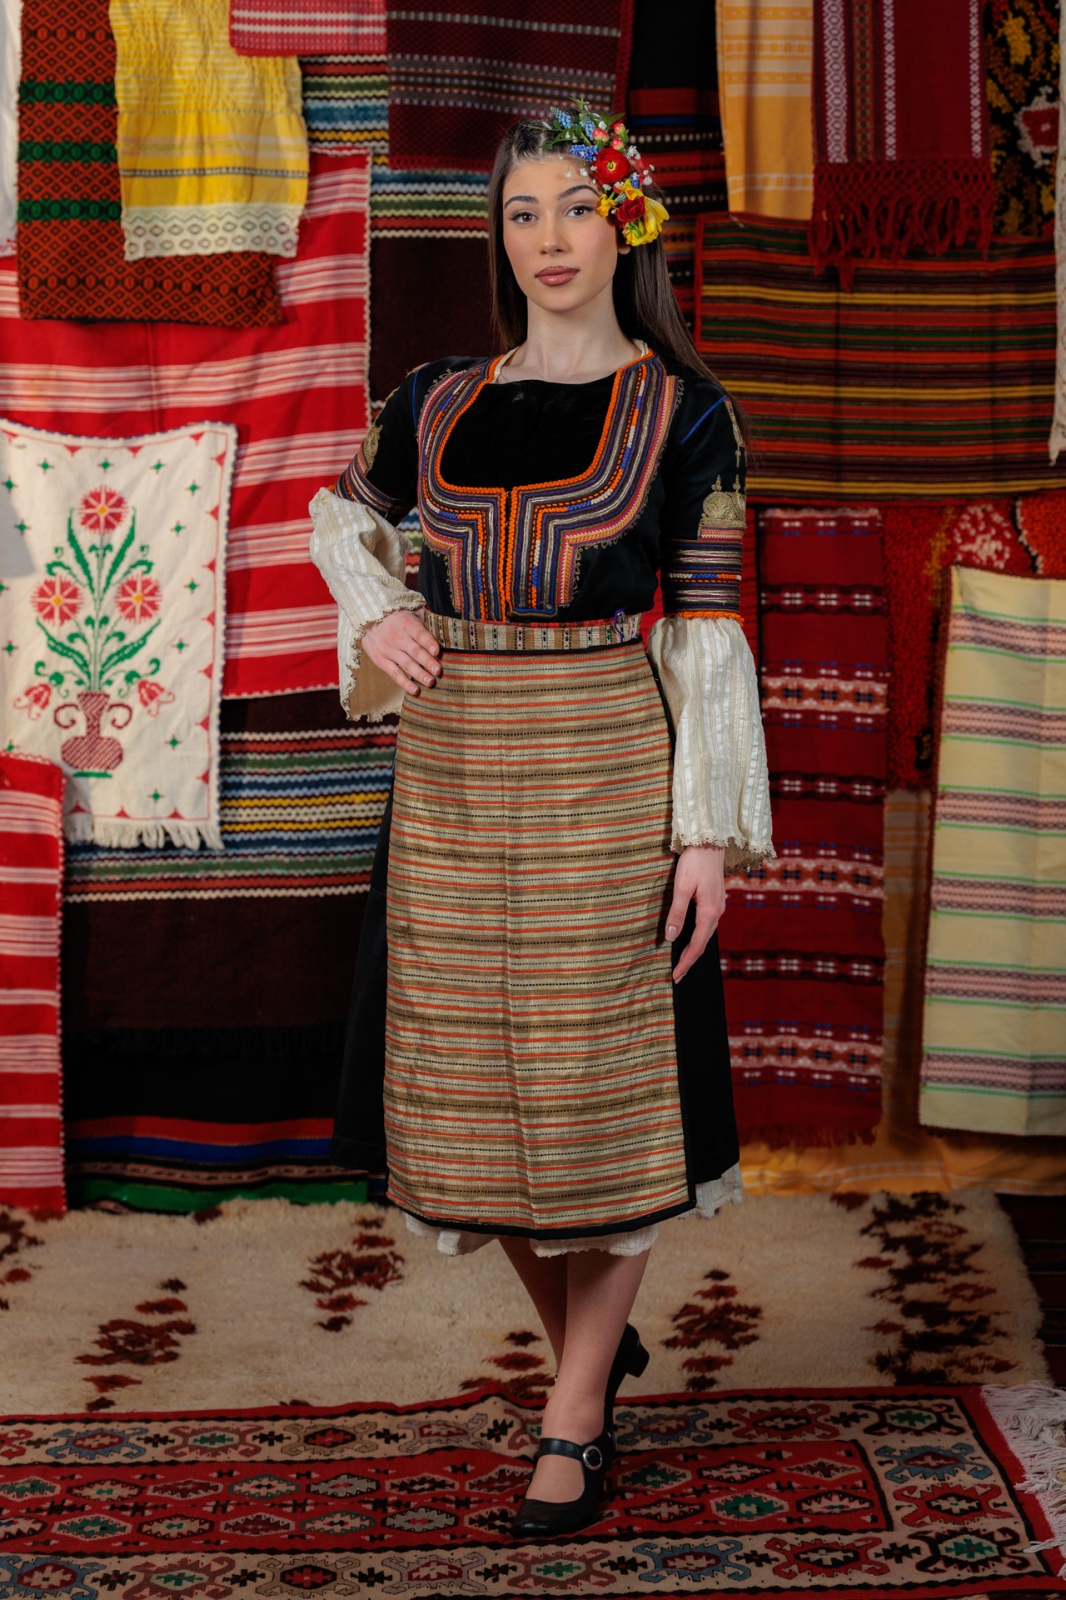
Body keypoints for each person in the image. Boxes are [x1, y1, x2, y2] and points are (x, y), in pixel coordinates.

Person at [309, 101, 773, 1540]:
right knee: (466, 1097)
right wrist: (377, 611)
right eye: (522, 212)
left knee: (594, 1090)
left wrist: (705, 835)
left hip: (606, 767)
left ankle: (573, 1410)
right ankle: (593, 1347)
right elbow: (341, 518)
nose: (549, 238)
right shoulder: (436, 397)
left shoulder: (686, 413)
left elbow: (707, 629)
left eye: (576, 207)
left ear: (623, 226)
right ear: (498, 238)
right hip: (453, 773)